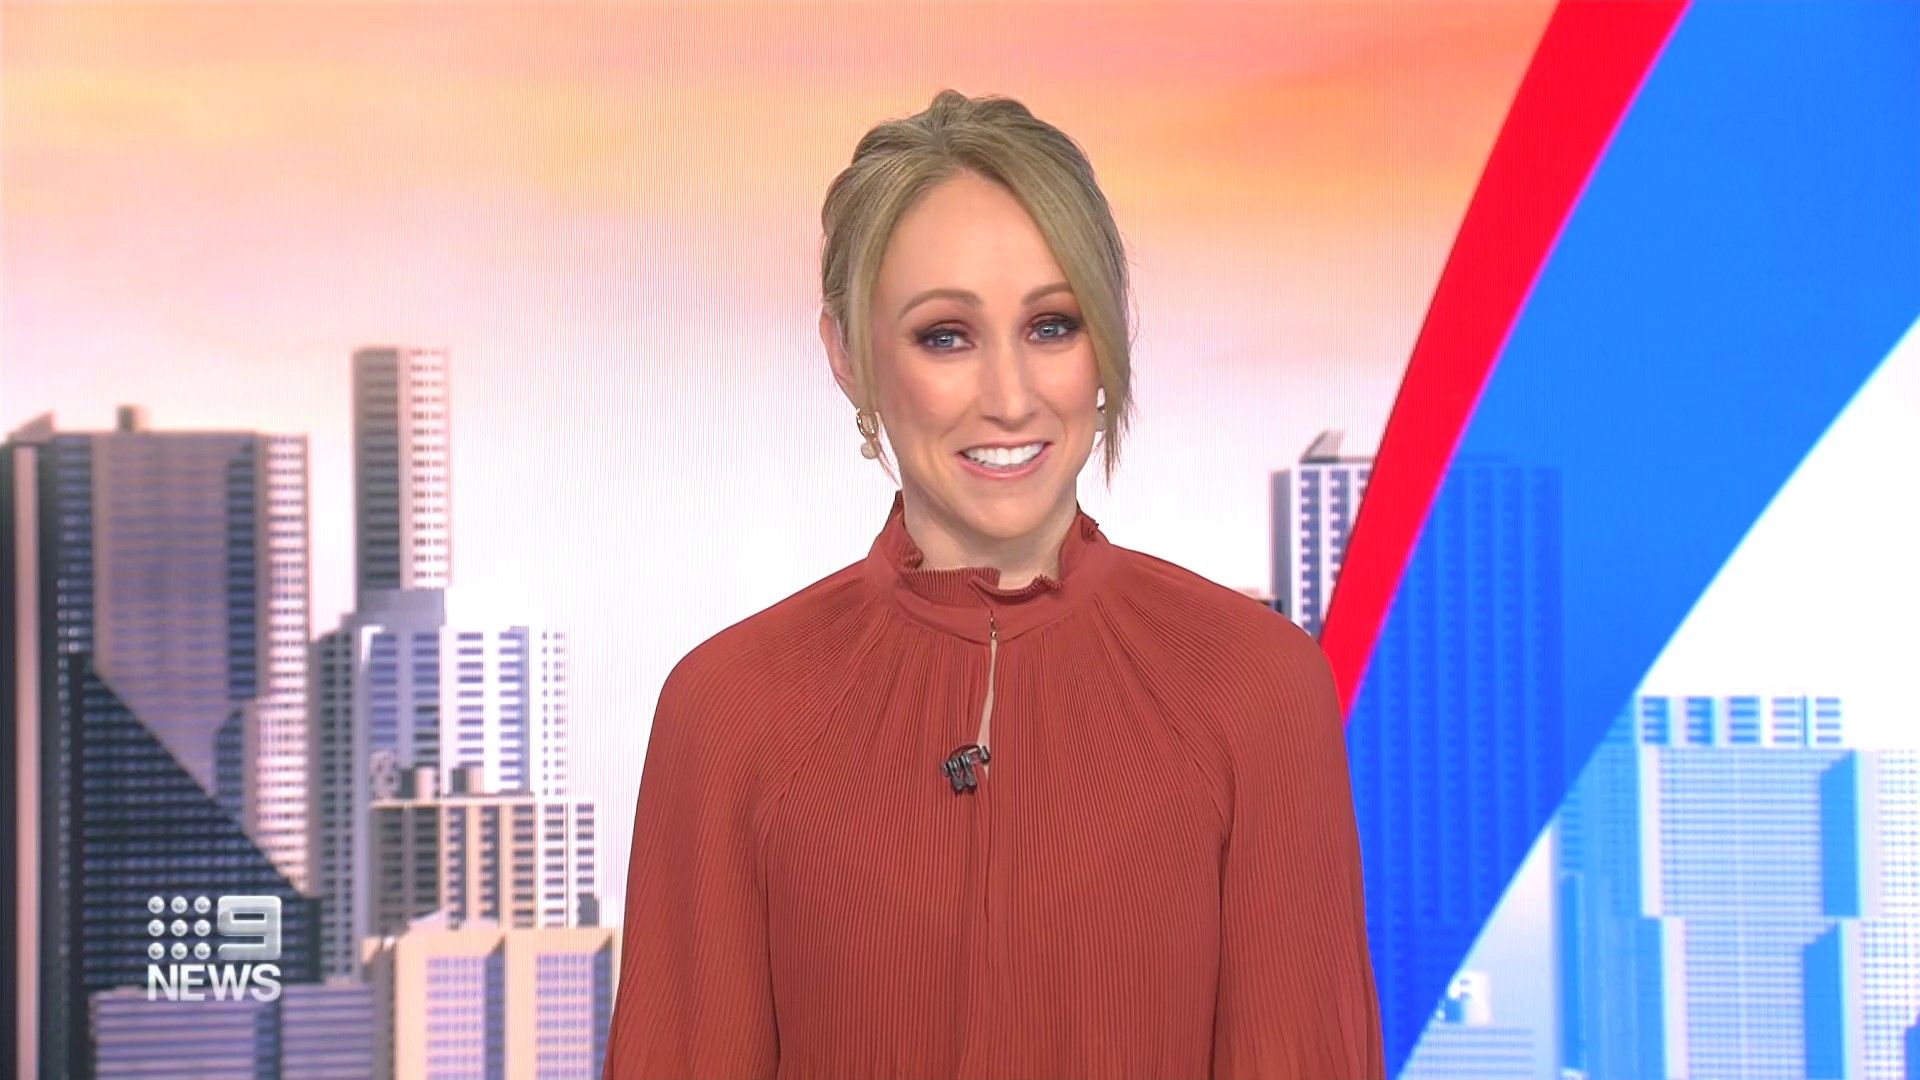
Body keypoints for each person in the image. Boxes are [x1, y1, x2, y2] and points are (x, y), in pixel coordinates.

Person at [603, 89, 1383, 1080]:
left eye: (1052, 326)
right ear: (848, 356)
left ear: (1105, 345)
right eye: (945, 336)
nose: (1010, 398)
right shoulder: (727, 712)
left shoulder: (1258, 688)